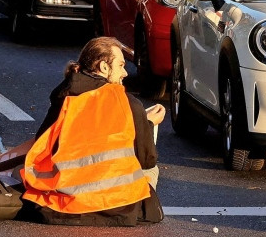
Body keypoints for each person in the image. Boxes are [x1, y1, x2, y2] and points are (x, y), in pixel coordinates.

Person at [21, 37, 164, 226]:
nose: (125, 73)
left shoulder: (64, 96)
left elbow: (43, 143)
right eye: (121, 65)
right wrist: (147, 125)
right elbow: (146, 159)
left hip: (60, 204)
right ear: (104, 67)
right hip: (116, 208)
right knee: (151, 169)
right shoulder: (128, 104)